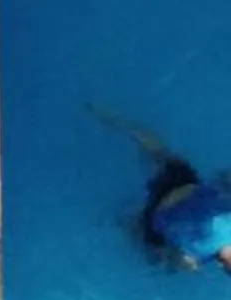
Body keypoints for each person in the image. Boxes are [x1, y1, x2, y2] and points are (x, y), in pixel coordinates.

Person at [94, 105, 231, 272]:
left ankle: (117, 120)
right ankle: (121, 221)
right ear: (222, 267)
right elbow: (172, 257)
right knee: (150, 251)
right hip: (156, 215)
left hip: (181, 184)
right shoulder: (194, 259)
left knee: (160, 152)